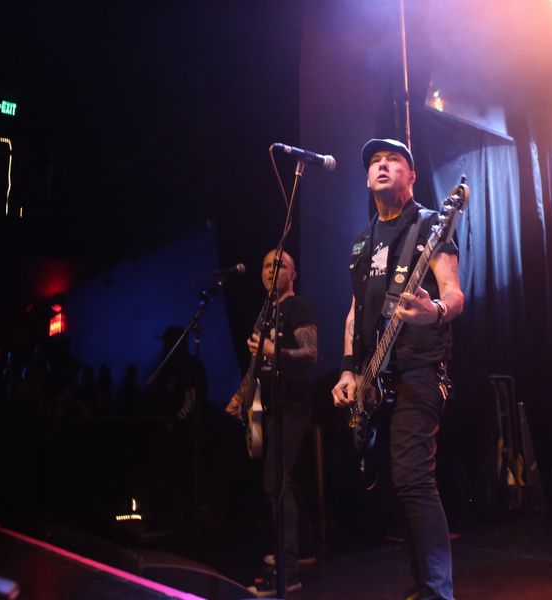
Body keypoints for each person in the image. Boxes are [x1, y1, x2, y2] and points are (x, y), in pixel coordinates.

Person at [332, 139, 465, 600]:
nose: (382, 166)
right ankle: (423, 583)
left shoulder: (430, 225)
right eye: (374, 162)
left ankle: (437, 592)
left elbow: (454, 293)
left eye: (394, 160)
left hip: (419, 369)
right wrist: (348, 371)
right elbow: (355, 313)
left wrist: (436, 312)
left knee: (413, 477)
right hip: (376, 378)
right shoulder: (361, 242)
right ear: (367, 178)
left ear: (411, 176)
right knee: (398, 483)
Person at [226, 249, 318, 597]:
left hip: (292, 403)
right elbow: (256, 362)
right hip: (269, 405)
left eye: (279, 265)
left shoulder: (297, 307)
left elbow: (310, 354)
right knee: (285, 480)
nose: (270, 270)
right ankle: (302, 549)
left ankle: (288, 571)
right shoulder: (265, 313)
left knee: (276, 481)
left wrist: (272, 351)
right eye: (266, 265)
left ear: (293, 274)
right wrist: (241, 396)